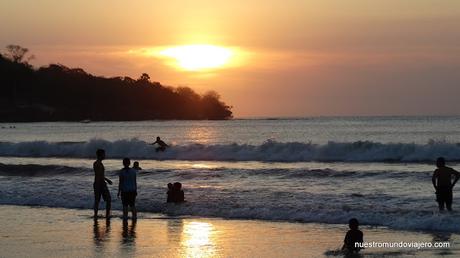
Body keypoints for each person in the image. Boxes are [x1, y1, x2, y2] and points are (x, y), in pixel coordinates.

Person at [93, 149, 112, 218]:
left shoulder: (98, 163)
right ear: (100, 155)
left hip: (98, 183)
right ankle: (107, 215)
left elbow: (100, 174)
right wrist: (107, 180)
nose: (105, 155)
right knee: (108, 199)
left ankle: (96, 215)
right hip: (99, 184)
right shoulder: (97, 163)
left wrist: (106, 180)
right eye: (104, 154)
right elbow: (99, 175)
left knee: (97, 200)